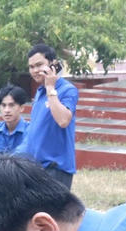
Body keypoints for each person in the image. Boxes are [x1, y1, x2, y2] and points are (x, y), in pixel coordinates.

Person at [18, 44, 78, 188]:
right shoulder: (40, 92)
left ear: (54, 64)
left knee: (53, 211)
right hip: (35, 168)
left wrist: (51, 87)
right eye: (31, 67)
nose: (34, 71)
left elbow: (63, 120)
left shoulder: (67, 90)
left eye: (39, 65)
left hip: (56, 169)